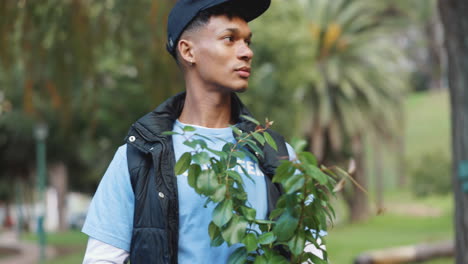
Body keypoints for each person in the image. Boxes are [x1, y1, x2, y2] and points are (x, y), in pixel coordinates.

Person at [82, 0, 306, 263]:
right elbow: (102, 259)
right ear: (188, 51)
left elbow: (308, 252)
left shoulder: (277, 155)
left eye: (247, 41)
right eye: (230, 39)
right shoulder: (139, 157)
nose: (246, 52)